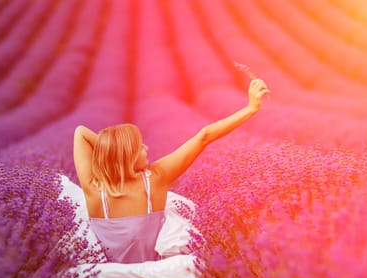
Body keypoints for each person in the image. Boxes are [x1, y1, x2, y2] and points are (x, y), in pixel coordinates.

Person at [73, 78, 270, 263]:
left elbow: (81, 133)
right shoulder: (156, 179)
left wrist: (114, 152)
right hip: (156, 277)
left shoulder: (94, 191)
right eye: (140, 147)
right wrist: (251, 108)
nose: (146, 148)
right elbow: (205, 136)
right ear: (130, 156)